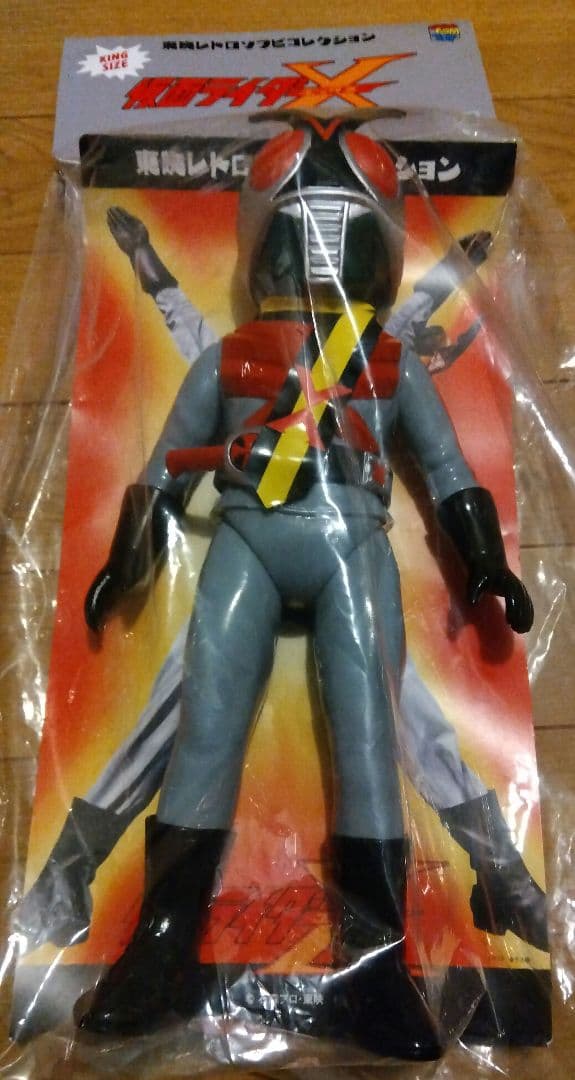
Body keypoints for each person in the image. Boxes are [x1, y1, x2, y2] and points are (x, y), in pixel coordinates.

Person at [15, 193, 547, 976]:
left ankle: (455, 902)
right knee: (191, 715)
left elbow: (446, 466)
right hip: (247, 539)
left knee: (390, 721)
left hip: (348, 545)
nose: (315, 268)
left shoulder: (381, 355)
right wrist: (128, 559)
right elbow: (167, 457)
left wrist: (485, 559)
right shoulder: (236, 353)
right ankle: (123, 912)